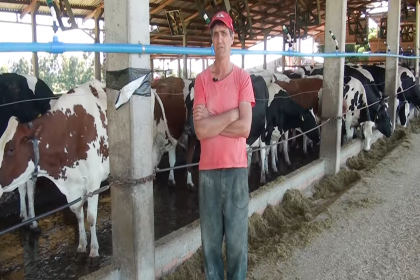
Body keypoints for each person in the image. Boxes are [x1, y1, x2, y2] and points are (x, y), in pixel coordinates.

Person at [192, 10, 255, 280]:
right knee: (210, 247)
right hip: (207, 175)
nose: (219, 39)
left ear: (232, 38)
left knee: (238, 246)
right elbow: (200, 130)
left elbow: (246, 128)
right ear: (212, 40)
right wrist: (232, 114)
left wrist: (217, 120)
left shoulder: (243, 78)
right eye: (215, 34)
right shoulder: (201, 80)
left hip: (237, 171)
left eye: (224, 34)